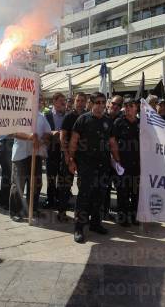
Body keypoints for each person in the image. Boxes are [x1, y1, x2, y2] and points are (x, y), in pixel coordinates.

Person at [68, 92, 121, 243]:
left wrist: (118, 161)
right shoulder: (83, 119)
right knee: (84, 197)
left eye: (103, 102)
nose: (100, 105)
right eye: (97, 102)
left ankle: (95, 224)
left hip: (103, 166)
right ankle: (79, 227)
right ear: (91, 103)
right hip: (86, 166)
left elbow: (112, 143)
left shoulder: (108, 121)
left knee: (99, 196)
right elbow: (73, 141)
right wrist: (71, 160)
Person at [9, 105, 51, 222]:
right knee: (18, 184)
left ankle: (32, 209)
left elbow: (48, 132)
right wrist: (30, 137)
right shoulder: (18, 114)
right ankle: (15, 211)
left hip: (36, 154)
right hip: (20, 154)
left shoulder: (41, 116)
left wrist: (42, 139)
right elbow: (12, 132)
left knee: (36, 184)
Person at [58, 92, 87, 222]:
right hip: (69, 155)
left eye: (82, 100)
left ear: (86, 102)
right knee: (65, 185)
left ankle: (80, 214)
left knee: (83, 186)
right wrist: (66, 155)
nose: (80, 103)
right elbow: (62, 136)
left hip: (84, 157)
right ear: (74, 102)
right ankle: (62, 212)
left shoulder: (88, 116)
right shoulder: (69, 116)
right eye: (78, 100)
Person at [112, 97, 140, 226]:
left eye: (131, 105)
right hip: (122, 164)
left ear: (136, 108)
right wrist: (117, 160)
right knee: (122, 192)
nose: (128, 108)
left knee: (136, 192)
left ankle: (134, 217)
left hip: (138, 165)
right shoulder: (118, 122)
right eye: (126, 105)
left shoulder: (141, 123)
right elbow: (113, 142)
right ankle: (122, 218)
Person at [43, 92, 67, 209]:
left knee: (61, 175)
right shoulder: (46, 115)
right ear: (54, 101)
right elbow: (43, 131)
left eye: (64, 100)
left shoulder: (67, 115)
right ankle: (50, 198)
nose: (63, 102)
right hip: (51, 149)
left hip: (62, 149)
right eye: (61, 100)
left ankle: (59, 198)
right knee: (51, 175)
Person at [103, 95, 124, 218]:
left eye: (119, 105)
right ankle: (104, 212)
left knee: (120, 188)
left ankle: (121, 214)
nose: (115, 106)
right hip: (104, 159)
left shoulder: (122, 119)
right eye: (114, 103)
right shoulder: (101, 118)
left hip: (118, 160)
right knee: (104, 188)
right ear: (109, 103)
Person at [0, 135, 14, 209]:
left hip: (11, 142)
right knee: (7, 174)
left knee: (9, 174)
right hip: (5, 142)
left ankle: (8, 200)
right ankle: (5, 201)